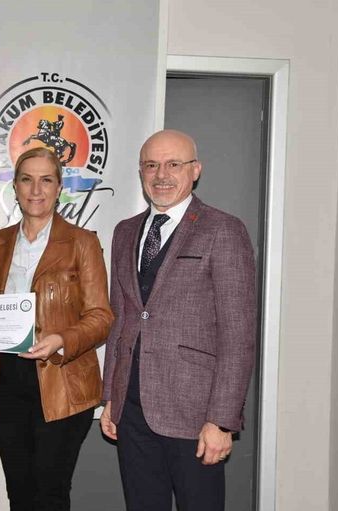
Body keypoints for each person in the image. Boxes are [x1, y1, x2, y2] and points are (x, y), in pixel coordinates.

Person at [100, 129, 256, 511]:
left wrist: (222, 421)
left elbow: (238, 335)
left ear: (195, 170)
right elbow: (121, 319)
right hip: (131, 410)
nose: (161, 175)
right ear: (141, 171)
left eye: (174, 164)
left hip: (196, 414)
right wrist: (111, 398)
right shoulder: (124, 232)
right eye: (151, 165)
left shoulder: (223, 229)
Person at [0, 147, 114, 511]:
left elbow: (101, 317)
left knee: (50, 494)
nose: (36, 190)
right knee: (19, 493)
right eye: (27, 179)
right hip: (7, 382)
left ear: (59, 188)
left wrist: (61, 339)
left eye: (46, 180)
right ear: (15, 187)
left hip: (62, 381)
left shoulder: (83, 242)